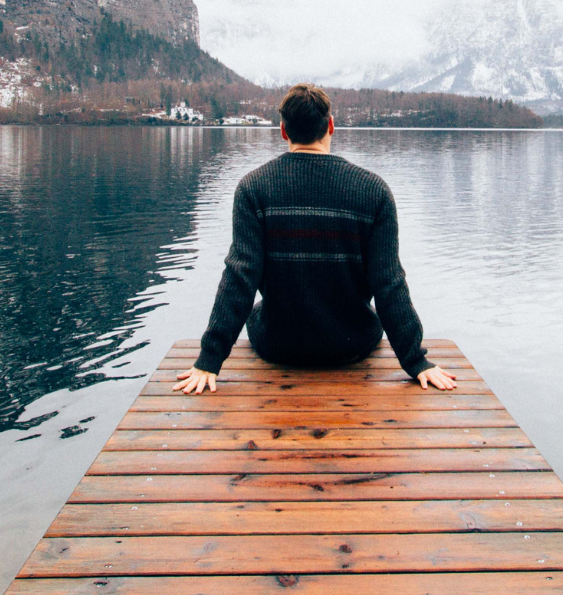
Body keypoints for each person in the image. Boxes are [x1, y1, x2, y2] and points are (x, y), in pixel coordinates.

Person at [175, 83, 459, 394]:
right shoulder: (374, 191)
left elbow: (240, 277)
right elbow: (388, 283)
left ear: (283, 131)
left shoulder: (252, 189)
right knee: (371, 312)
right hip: (351, 345)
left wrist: (209, 360)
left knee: (259, 307)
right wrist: (416, 361)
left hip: (278, 345)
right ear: (331, 126)